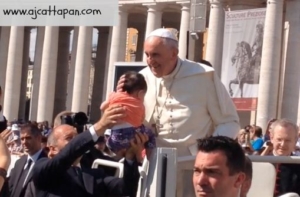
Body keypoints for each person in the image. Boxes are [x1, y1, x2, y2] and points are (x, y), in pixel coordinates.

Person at [117, 28, 240, 196]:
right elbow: (133, 121)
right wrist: (124, 99)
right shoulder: (142, 77)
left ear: (173, 53)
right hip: (154, 164)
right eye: (147, 54)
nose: (150, 60)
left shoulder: (203, 76)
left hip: (192, 166)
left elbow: (229, 122)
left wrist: (206, 153)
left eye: (155, 55)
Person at [31, 105, 147, 197]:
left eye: (77, 137)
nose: (76, 141)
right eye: (69, 138)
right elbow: (68, 154)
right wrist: (100, 126)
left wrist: (130, 156)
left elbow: (127, 188)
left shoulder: (93, 175)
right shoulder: (42, 170)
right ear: (53, 149)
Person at [101, 71, 156, 156]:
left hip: (114, 140)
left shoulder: (114, 96)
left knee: (108, 131)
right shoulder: (139, 104)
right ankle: (150, 157)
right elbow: (141, 120)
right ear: (140, 93)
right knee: (151, 134)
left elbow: (102, 107)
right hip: (132, 137)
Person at [261, 119, 300, 196]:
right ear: (272, 138)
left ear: (295, 141)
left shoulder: (298, 165)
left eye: (288, 140)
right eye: (279, 139)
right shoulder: (261, 164)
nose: (282, 144)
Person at [7, 124, 47, 197]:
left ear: (38, 138)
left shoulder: (47, 163)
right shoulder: (19, 162)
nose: (24, 142)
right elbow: (9, 187)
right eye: (22, 139)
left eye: (28, 138)